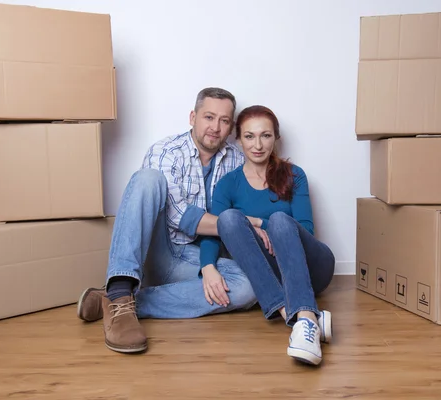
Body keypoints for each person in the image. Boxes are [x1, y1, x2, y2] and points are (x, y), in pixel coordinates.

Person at [76, 88, 259, 354]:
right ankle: (120, 286)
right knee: (147, 179)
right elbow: (180, 217)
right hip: (159, 251)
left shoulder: (237, 159)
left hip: (197, 261)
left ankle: (122, 302)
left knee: (249, 287)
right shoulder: (166, 151)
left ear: (232, 126)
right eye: (209, 117)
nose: (215, 127)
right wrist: (242, 223)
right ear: (192, 117)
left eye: (224, 120)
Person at [199, 105, 336, 366]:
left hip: (310, 267)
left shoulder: (294, 175)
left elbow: (306, 230)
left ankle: (304, 317)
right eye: (249, 136)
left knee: (280, 220)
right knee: (227, 218)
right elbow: (214, 231)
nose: (258, 144)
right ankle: (302, 321)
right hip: (272, 273)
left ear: (276, 138)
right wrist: (207, 267)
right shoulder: (228, 183)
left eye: (265, 135)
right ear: (238, 140)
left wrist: (261, 223)